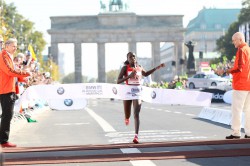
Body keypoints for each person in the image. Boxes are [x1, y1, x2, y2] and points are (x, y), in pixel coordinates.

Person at [117, 52, 165, 144]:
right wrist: (129, 76)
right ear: (127, 59)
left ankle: (136, 136)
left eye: (134, 56)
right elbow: (118, 81)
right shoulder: (125, 68)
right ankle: (127, 118)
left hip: (138, 92)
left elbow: (146, 74)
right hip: (127, 92)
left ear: (136, 58)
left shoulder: (139, 67)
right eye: (130, 57)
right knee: (128, 114)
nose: (132, 58)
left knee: (136, 113)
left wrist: (157, 67)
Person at [0, 38, 32, 147]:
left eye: (16, 46)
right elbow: (9, 71)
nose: (15, 48)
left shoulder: (9, 56)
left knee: (8, 115)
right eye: (14, 46)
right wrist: (25, 73)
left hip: (10, 88)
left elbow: (13, 73)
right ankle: (3, 140)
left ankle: (3, 139)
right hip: (5, 89)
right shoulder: (3, 56)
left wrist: (23, 78)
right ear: (7, 46)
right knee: (7, 115)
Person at [224, 32, 250, 139]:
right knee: (248, 110)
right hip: (248, 84)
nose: (233, 42)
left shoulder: (241, 50)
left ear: (240, 39)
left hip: (240, 85)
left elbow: (239, 68)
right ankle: (248, 132)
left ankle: (236, 132)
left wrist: (227, 71)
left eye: (234, 40)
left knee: (236, 110)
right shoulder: (248, 49)